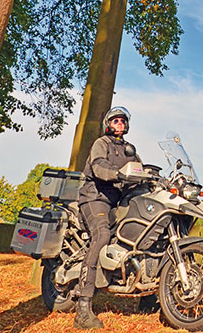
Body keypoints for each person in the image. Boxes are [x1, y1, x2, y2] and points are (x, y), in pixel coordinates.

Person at [73, 106, 141, 330]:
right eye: (116, 120)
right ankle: (83, 307)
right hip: (96, 197)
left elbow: (141, 169)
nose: (120, 124)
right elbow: (98, 166)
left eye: (123, 121)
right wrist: (118, 174)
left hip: (118, 201)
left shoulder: (130, 150)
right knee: (102, 235)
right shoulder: (101, 143)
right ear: (108, 124)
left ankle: (149, 297)